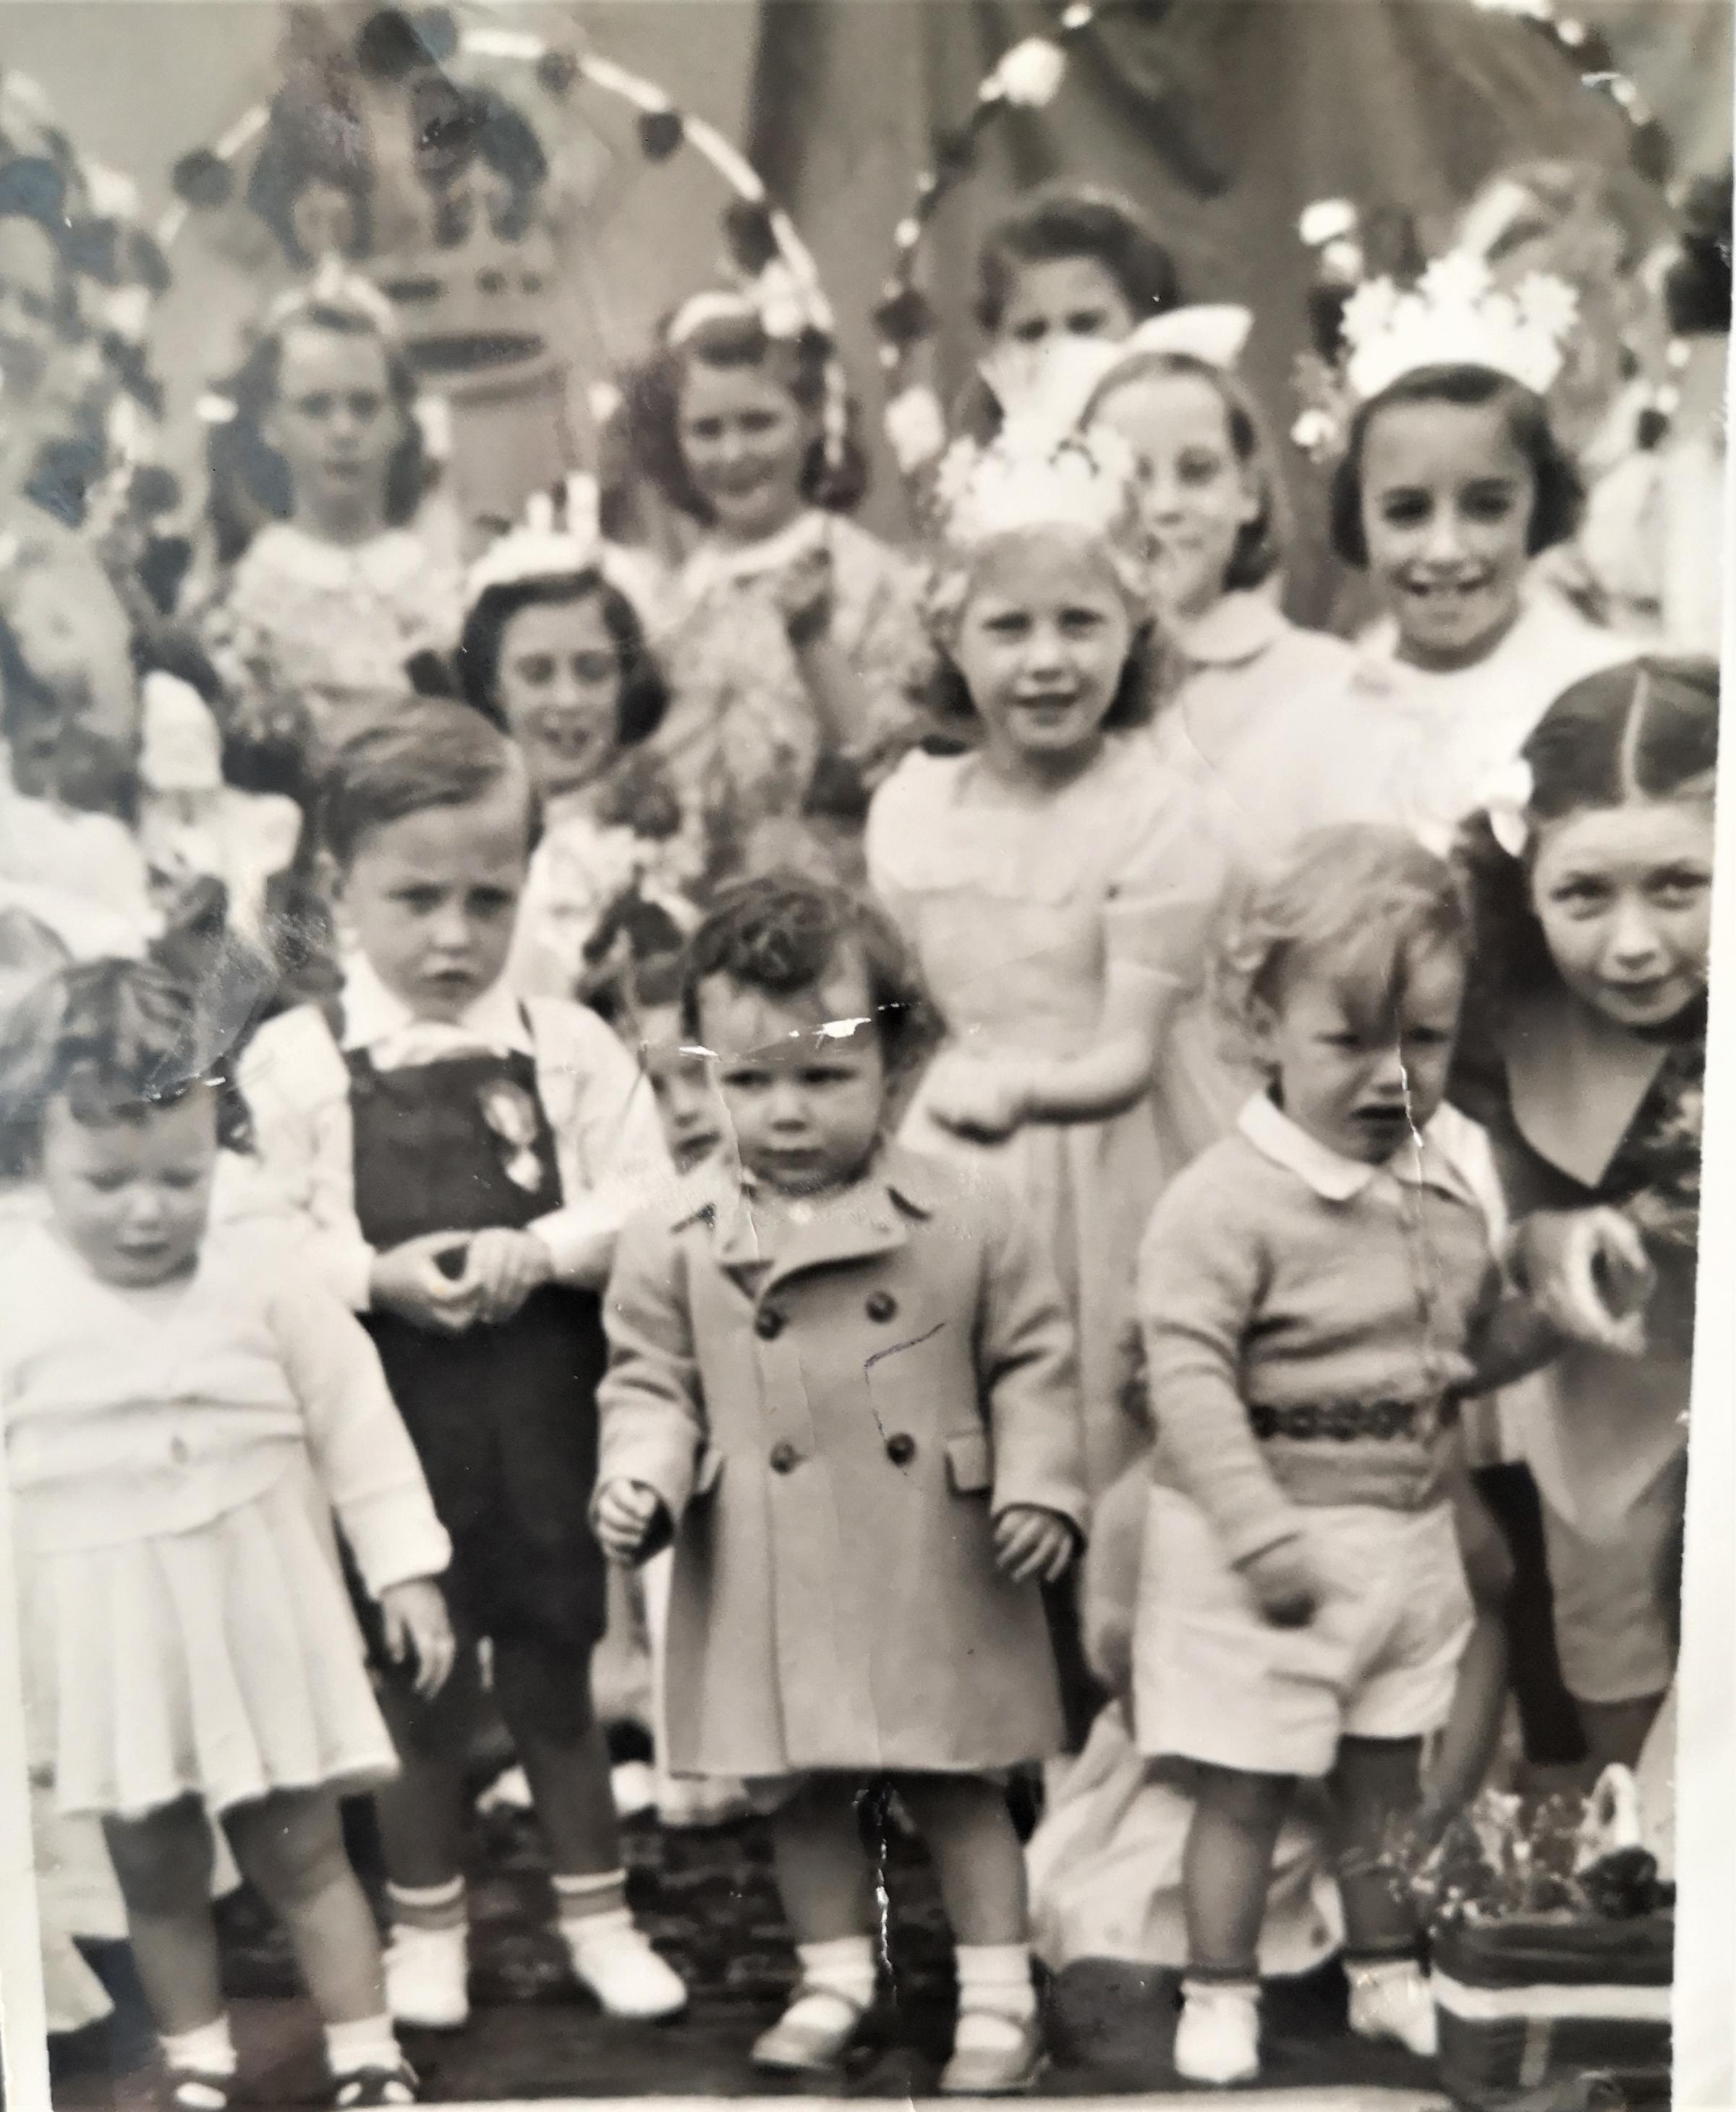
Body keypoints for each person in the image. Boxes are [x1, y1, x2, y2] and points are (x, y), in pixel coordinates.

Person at [593, 872, 1086, 2092]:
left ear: (897, 1065)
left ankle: (997, 1993)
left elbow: (1033, 1360)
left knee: (957, 1777)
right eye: (749, 1080)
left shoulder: (967, 1211)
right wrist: (643, 1480)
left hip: (934, 1545)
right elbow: (650, 1380)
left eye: (824, 1077)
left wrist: (1039, 1484)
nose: (785, 1113)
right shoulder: (674, 1232)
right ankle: (833, 1976)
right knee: (799, 1783)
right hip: (769, 1543)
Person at [239, 700, 686, 2032]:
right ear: (339, 888)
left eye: (487, 900)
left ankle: (597, 1913)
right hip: (391, 1428)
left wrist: (537, 1252)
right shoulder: (300, 1058)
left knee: (553, 1674)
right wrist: (376, 1276)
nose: (452, 936)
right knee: (416, 1693)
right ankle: (427, 1933)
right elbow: (266, 1240)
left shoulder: (570, 1046)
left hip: (538, 1412)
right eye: (415, 897)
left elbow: (649, 1203)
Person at [1133, 825, 1562, 2086]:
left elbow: (1451, 1358)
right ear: (1263, 1025)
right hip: (1250, 1541)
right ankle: (1220, 1991)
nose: (1391, 1077)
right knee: (1248, 1786)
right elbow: (1188, 1378)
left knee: (1386, 1777)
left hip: (1398, 1539)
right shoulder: (1223, 1205)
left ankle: (1383, 1975)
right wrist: (1259, 1529)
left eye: (1421, 1041)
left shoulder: (1441, 1195)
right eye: (1348, 1042)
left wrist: (1551, 1320)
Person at [0, 958, 455, 2111]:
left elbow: (356, 1417)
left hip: (260, 1609)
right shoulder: (18, 1292)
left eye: (180, 1176)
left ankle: (366, 2051)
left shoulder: (263, 1272)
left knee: (303, 1850)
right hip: (108, 1627)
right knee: (152, 1865)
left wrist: (403, 1567)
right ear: (35, 1157)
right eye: (106, 1181)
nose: (147, 1210)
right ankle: (198, 2057)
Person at [867, 399, 1209, 1503]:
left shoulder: (1159, 814)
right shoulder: (915, 809)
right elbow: (907, 1016)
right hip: (950, 1149)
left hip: (1108, 1160)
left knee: (1108, 1436)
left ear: (1134, 633)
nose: (1048, 661)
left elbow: (1124, 1057)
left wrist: (1016, 1094)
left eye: (1081, 623)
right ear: (952, 643)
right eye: (1009, 629)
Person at [1452, 656, 1714, 1771]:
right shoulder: (1520, 1010)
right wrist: (1553, 1245)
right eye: (1583, 896)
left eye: (1679, 886)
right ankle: (1638, 1862)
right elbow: (1528, 1209)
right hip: (1627, 1339)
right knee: (1610, 1579)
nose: (1633, 944)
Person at [1081, 327, 1358, 1158]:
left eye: (1196, 472)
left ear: (1249, 493)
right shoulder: (1055, 695)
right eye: (1129, 477)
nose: (1161, 506)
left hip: (1263, 1085)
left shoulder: (1321, 683)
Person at [622, 288, 932, 890]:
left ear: (813, 419)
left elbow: (892, 764)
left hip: (849, 882)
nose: (733, 453)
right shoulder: (669, 600)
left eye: (759, 423)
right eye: (706, 431)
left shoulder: (872, 579)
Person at [195, 268, 460, 793]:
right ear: (271, 423)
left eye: (365, 405)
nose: (343, 430)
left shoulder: (448, 587)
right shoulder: (240, 602)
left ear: (398, 420)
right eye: (315, 407)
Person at [454, 484, 699, 1004]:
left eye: (592, 671)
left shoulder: (673, 823)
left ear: (626, 680)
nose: (567, 700)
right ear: (493, 686)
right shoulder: (462, 822)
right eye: (536, 673)